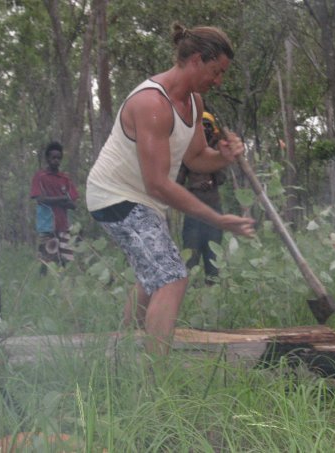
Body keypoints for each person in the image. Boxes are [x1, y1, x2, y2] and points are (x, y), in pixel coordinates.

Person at [86, 23, 255, 355]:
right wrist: (216, 219)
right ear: (195, 60)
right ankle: (154, 384)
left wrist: (224, 157)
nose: (219, 81)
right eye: (216, 71)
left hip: (141, 199)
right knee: (171, 277)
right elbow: (158, 184)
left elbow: (195, 159)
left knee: (153, 276)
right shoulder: (152, 104)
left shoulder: (194, 101)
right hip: (114, 195)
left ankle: (120, 354)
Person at [176, 110, 226, 283]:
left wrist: (213, 153)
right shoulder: (188, 155)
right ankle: (193, 299)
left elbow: (220, 179)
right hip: (193, 215)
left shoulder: (216, 153)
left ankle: (214, 297)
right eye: (202, 127)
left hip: (214, 211)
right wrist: (195, 186)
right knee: (191, 258)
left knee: (213, 260)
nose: (205, 130)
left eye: (208, 126)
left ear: (213, 130)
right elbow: (177, 184)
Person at [30, 141, 78, 274]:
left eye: (59, 158)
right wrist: (62, 199)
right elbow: (40, 199)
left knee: (66, 261)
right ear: (47, 158)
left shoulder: (65, 179)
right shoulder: (40, 177)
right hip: (47, 225)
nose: (56, 160)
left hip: (63, 226)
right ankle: (42, 286)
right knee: (46, 260)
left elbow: (73, 205)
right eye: (53, 157)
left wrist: (56, 200)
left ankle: (64, 289)